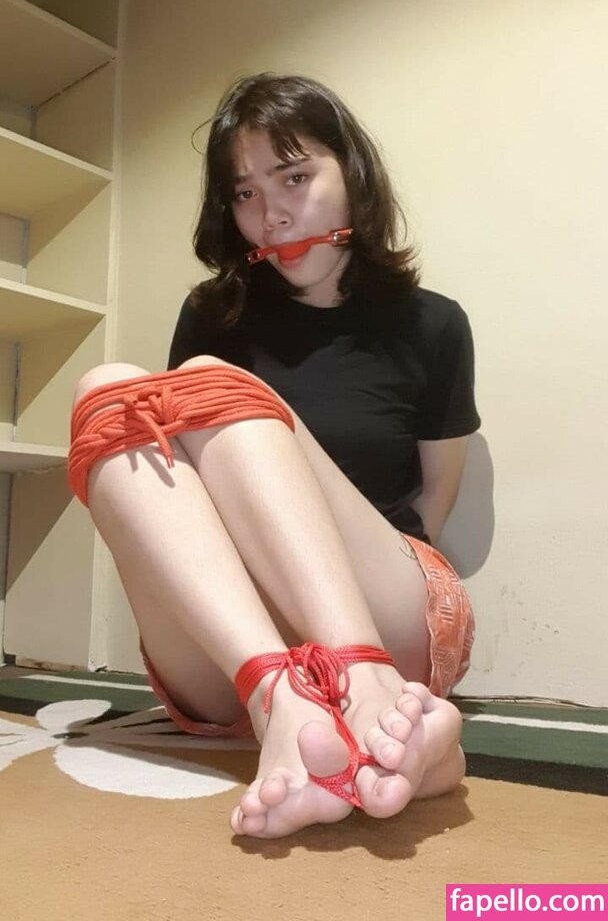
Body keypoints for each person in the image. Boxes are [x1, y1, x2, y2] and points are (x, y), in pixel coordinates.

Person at [69, 73, 481, 840]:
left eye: (294, 177)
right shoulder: (210, 312)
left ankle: (365, 682)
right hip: (243, 645)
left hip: (384, 609)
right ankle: (290, 709)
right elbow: (180, 493)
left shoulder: (434, 325)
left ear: (352, 175)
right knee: (107, 390)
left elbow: (434, 502)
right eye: (244, 192)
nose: (272, 214)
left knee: (206, 381)